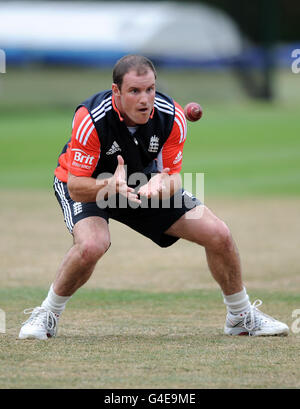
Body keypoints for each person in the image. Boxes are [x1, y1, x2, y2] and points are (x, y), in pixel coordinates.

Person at [19, 55, 288, 340]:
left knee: (218, 233)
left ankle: (241, 317)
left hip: (140, 183)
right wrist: (110, 184)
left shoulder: (172, 117)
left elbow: (173, 177)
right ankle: (47, 314)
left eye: (150, 89)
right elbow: (74, 186)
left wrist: (161, 184)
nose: (145, 99)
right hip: (90, 183)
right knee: (93, 244)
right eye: (135, 91)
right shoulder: (90, 119)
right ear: (116, 93)